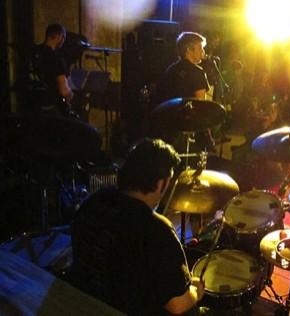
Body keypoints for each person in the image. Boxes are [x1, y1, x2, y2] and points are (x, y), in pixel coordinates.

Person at [71, 139, 204, 315]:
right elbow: (176, 305)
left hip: (86, 300)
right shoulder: (156, 229)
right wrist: (196, 290)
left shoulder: (93, 201)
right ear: (161, 183)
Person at [29, 23, 73, 115]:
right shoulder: (56, 59)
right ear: (58, 36)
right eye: (63, 37)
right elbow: (63, 91)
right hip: (52, 107)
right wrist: (71, 93)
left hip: (33, 105)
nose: (63, 40)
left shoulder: (34, 53)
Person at [158, 32, 210, 102]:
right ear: (189, 50)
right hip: (189, 113)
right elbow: (201, 105)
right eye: (200, 48)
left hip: (169, 112)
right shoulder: (198, 72)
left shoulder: (171, 69)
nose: (203, 52)